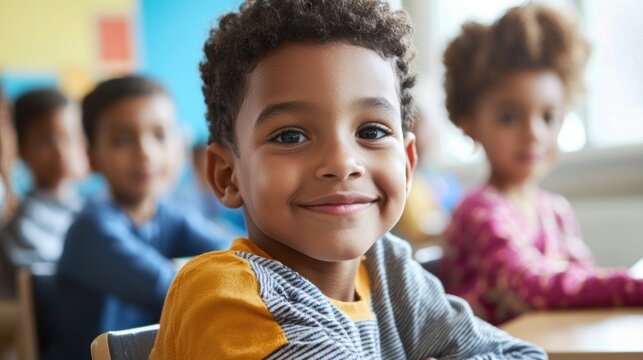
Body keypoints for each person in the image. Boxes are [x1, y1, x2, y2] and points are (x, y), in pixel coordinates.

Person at [150, 1, 546, 358]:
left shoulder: (385, 268)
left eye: (371, 131)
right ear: (227, 176)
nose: (342, 163)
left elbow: (521, 355)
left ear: (407, 165)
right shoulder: (225, 295)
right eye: (291, 136)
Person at [440, 3, 643, 325]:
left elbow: (582, 281)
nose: (534, 133)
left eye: (549, 117)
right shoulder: (479, 213)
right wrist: (633, 286)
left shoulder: (556, 211)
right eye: (509, 117)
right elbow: (530, 287)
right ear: (469, 123)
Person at [55, 75, 231, 358]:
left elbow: (237, 255)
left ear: (178, 145)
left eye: (159, 135)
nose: (145, 152)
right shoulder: (89, 231)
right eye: (122, 140)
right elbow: (168, 288)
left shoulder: (170, 217)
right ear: (91, 156)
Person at [0, 88, 88, 292]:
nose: (61, 151)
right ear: (20, 149)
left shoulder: (93, 207)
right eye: (46, 141)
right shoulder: (25, 227)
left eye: (70, 137)